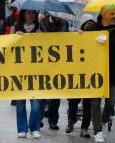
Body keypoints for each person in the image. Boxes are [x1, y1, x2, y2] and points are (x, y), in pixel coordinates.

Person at [84, 5, 115, 143]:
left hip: (112, 72)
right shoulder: (92, 28)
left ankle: (103, 121)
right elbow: (82, 45)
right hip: (95, 72)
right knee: (95, 103)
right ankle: (98, 131)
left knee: (111, 102)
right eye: (112, 13)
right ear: (104, 15)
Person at [11, 9, 43, 138]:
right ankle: (22, 128)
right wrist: (14, 38)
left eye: (33, 13)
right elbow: (7, 46)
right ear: (23, 14)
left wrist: (43, 37)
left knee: (36, 103)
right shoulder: (15, 28)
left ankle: (34, 127)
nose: (30, 15)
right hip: (20, 71)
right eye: (28, 13)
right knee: (20, 102)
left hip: (36, 71)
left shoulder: (40, 29)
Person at [39, 12, 70, 130]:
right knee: (43, 92)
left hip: (59, 62)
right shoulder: (43, 23)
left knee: (56, 93)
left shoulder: (64, 24)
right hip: (45, 61)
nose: (58, 16)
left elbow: (67, 40)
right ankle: (39, 118)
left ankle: (53, 121)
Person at [66, 14, 96, 137]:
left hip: (90, 75)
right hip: (77, 75)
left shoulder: (97, 39)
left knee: (87, 103)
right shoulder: (75, 37)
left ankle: (84, 127)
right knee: (73, 101)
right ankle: (71, 121)